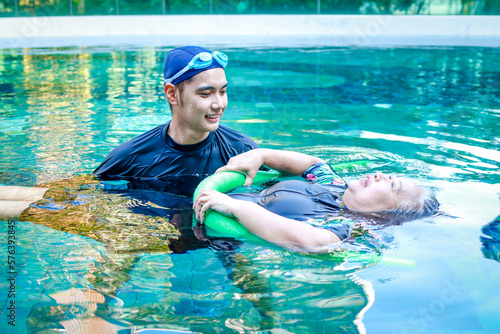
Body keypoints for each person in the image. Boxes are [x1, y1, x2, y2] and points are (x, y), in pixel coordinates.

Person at [193, 149, 440, 252]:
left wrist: (237, 208)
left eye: (391, 184)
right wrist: (261, 155)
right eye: (388, 175)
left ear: (388, 213)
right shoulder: (333, 186)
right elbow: (313, 163)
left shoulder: (348, 225)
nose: (379, 175)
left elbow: (313, 242)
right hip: (206, 201)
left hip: (212, 237)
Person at [93, 46, 259, 194]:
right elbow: (85, 194)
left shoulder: (242, 151)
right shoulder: (132, 157)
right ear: (172, 94)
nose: (219, 105)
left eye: (222, 92)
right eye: (206, 94)